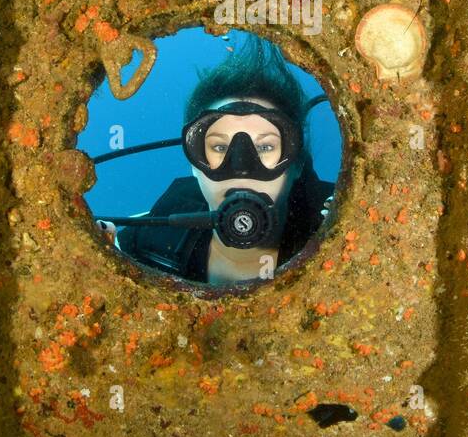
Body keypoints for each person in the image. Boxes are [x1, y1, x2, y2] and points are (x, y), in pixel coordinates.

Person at [109, 38, 335, 285]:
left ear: (296, 164)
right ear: (194, 164)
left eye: (265, 146)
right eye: (219, 146)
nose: (241, 169)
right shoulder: (151, 239)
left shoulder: (332, 233)